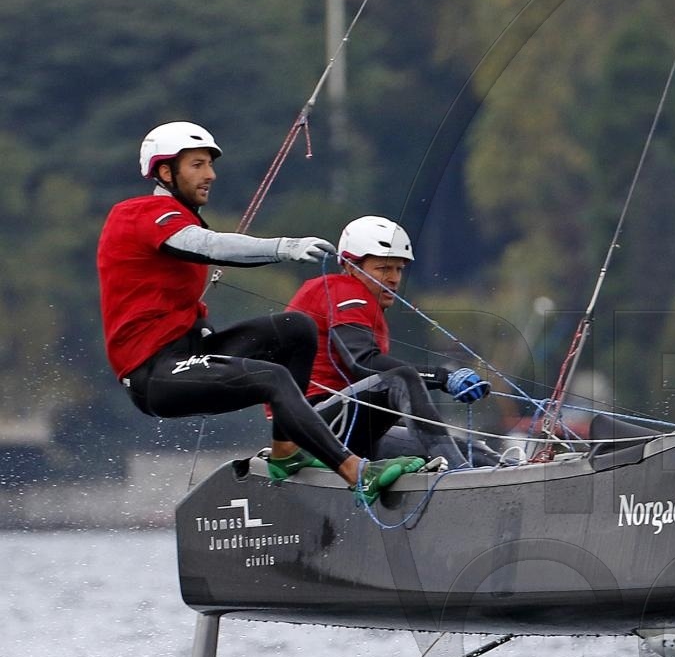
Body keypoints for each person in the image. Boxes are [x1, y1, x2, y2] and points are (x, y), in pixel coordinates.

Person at [98, 121, 424, 504]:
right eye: (197, 165)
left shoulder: (176, 217)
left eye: (210, 164)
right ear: (165, 172)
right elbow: (207, 245)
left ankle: (286, 451)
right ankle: (356, 472)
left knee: (296, 329)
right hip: (154, 375)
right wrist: (284, 247)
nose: (210, 175)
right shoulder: (139, 213)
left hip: (190, 352)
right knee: (272, 377)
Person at [286, 215, 493, 469]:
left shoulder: (361, 304)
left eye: (399, 269)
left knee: (473, 451)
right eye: (384, 269)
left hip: (342, 426)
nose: (394, 278)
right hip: (309, 428)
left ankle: (504, 471)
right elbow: (363, 363)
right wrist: (442, 377)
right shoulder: (342, 289)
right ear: (351, 266)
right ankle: (459, 472)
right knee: (401, 378)